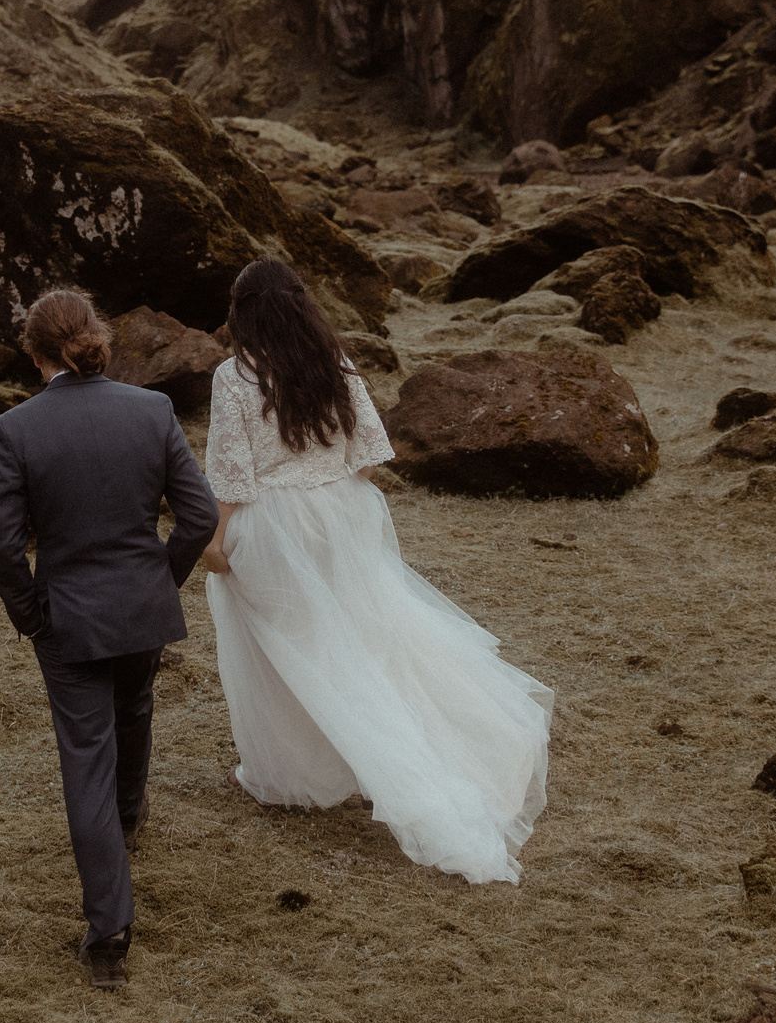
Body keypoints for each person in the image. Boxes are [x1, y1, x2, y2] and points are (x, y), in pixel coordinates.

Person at [202, 259, 553, 884]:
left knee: (287, 646)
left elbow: (231, 473)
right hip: (344, 514)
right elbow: (368, 453)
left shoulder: (236, 376)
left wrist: (214, 538)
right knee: (357, 636)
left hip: (273, 525)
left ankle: (297, 773)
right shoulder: (332, 361)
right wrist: (331, 495)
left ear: (241, 312)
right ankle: (355, 762)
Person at [0, 288, 219, 991]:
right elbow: (199, 514)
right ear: (96, 339)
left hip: (69, 618)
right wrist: (159, 580)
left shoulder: (16, 428)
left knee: (88, 753)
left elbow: (5, 546)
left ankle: (110, 930)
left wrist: (31, 614)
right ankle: (125, 821)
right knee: (135, 705)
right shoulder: (152, 411)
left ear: (34, 354)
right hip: (139, 607)